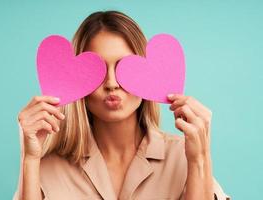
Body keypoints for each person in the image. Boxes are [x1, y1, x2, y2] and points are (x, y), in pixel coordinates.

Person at [13, 10, 230, 200]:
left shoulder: (182, 157)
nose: (111, 83)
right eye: (96, 69)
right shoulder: (46, 167)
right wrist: (29, 159)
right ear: (76, 78)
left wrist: (200, 159)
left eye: (123, 68)